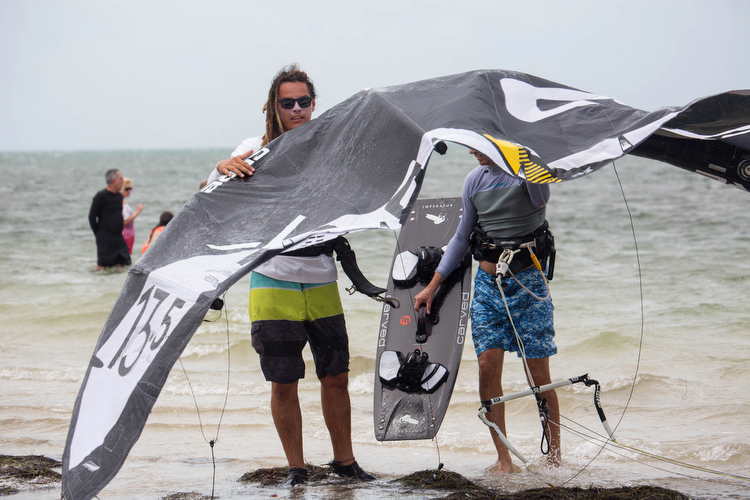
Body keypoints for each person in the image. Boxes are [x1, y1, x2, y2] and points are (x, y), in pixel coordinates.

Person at [206, 64, 375, 486]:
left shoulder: (328, 148)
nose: (297, 109)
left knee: (336, 376)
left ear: (314, 104)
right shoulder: (256, 148)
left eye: (304, 101)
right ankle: (297, 469)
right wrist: (223, 166)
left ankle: (345, 462)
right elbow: (212, 195)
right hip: (272, 279)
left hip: (321, 277)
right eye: (288, 103)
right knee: (284, 382)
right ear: (274, 107)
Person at [414, 148, 560, 473]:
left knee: (539, 375)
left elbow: (541, 196)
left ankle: (554, 457)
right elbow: (461, 238)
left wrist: (525, 157)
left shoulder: (529, 173)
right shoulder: (473, 181)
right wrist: (432, 287)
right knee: (486, 365)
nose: (471, 151)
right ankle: (503, 458)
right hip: (487, 286)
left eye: (479, 143)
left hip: (528, 285)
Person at [89, 169, 131, 271]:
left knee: (124, 262)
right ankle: (94, 280)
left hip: (118, 238)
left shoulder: (119, 197)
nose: (122, 181)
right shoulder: (101, 196)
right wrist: (98, 234)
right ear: (113, 180)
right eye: (121, 178)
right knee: (102, 266)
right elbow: (92, 216)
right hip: (105, 238)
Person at [121, 178, 145, 254]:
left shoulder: (123, 202)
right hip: (125, 235)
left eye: (130, 188)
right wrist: (137, 212)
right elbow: (124, 221)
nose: (129, 191)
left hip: (128, 234)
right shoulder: (122, 203)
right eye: (127, 189)